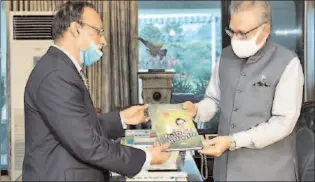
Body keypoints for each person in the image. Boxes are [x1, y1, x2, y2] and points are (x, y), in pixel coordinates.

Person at [22, 1, 169, 181]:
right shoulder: (56, 74)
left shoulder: (62, 68)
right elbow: (87, 144)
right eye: (99, 32)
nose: (104, 41)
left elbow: (78, 126)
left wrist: (123, 118)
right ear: (76, 29)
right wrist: (146, 157)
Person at [183, 1, 304, 181]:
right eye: (232, 31)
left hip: (269, 172)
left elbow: (283, 122)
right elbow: (214, 99)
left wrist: (233, 141)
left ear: (265, 30)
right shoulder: (225, 56)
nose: (235, 38)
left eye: (242, 33)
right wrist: (197, 110)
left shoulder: (288, 63)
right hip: (225, 171)